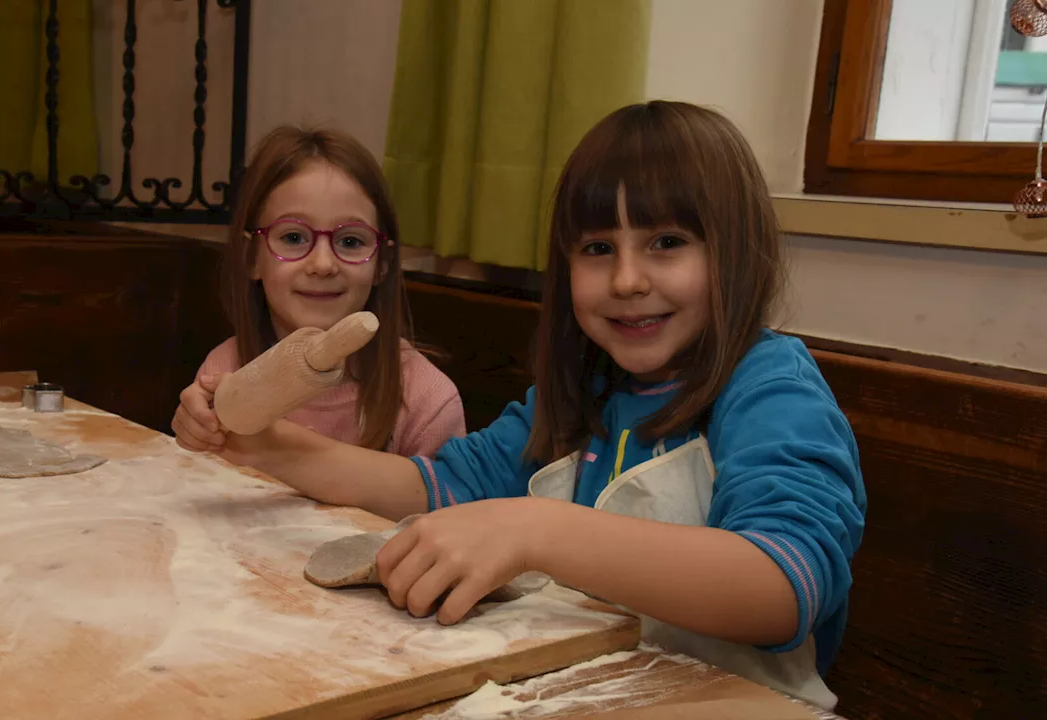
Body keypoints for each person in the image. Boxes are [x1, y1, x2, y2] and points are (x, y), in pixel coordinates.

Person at [180, 102, 867, 711]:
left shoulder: (770, 387)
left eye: (667, 243)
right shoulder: (586, 391)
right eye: (598, 249)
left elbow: (784, 584)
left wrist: (536, 530)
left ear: (738, 252)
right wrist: (264, 445)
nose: (628, 280)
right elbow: (438, 485)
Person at [173, 125, 465, 458]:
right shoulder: (224, 370)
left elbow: (446, 506)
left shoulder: (428, 402)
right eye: (294, 238)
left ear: (382, 263)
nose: (323, 264)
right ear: (251, 257)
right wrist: (196, 436)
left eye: (350, 241)